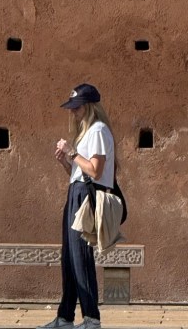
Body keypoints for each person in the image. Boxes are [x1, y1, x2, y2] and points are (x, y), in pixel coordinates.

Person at [38, 83, 117, 329]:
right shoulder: (87, 132)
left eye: (77, 107)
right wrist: (66, 162)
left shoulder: (98, 130)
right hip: (77, 193)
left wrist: (72, 153)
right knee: (70, 257)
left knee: (81, 257)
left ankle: (91, 318)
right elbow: (80, 174)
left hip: (86, 198)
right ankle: (65, 317)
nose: (73, 112)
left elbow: (95, 171)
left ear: (90, 106)